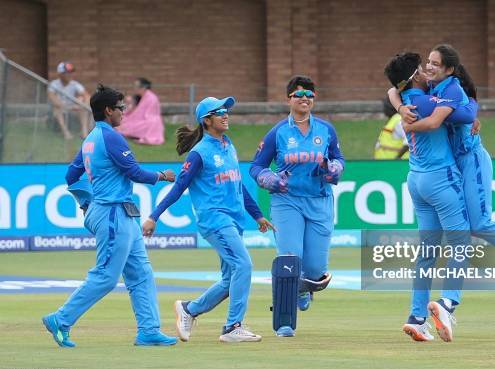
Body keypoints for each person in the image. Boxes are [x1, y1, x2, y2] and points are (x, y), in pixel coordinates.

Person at [389, 44, 495, 296]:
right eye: (428, 63)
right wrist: (400, 107)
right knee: (477, 225)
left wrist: (411, 126)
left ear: (450, 70)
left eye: (435, 63)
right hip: (457, 162)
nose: (429, 67)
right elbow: (393, 89)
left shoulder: (451, 89)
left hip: (471, 159)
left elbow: (464, 114)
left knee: (480, 223)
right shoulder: (431, 88)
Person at [42, 84, 178, 348]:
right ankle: (61, 319)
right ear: (107, 110)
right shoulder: (111, 137)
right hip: (114, 213)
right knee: (105, 276)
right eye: (120, 108)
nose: (123, 113)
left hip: (116, 213)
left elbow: (71, 177)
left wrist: (86, 203)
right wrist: (162, 176)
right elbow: (134, 172)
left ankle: (149, 331)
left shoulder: (91, 139)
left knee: (141, 273)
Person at [142, 96, 273, 343]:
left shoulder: (228, 145)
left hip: (234, 221)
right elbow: (179, 186)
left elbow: (237, 184)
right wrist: (153, 216)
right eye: (220, 111)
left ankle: (189, 309)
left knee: (229, 278)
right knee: (243, 266)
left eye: (227, 111)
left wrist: (257, 215)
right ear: (206, 120)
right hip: (215, 220)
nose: (226, 114)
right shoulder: (199, 153)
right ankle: (233, 327)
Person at [384, 53, 481, 342]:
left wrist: (399, 105)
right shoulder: (427, 102)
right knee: (461, 242)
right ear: (415, 75)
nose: (429, 69)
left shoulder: (408, 98)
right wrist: (474, 110)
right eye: (423, 67)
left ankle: (416, 318)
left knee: (427, 252)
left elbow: (391, 90)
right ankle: (448, 302)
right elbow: (467, 113)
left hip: (416, 179)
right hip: (440, 178)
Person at [250, 76, 344, 336]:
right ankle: (284, 322)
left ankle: (304, 288)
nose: (305, 99)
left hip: (319, 201)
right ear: (288, 99)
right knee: (290, 260)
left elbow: (338, 158)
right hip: (286, 201)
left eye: (310, 95)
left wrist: (333, 168)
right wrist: (269, 179)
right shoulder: (278, 132)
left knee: (314, 269)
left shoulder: (326, 130)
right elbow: (256, 166)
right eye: (299, 94)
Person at [48, 61, 91, 140]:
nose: (70, 75)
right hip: (57, 111)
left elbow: (87, 96)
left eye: (71, 72)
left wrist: (82, 103)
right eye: (67, 72)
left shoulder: (74, 84)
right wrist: (69, 107)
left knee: (82, 101)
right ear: (60, 74)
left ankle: (84, 132)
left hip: (71, 108)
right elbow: (53, 100)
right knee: (57, 108)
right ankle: (66, 133)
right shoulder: (54, 84)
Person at [117, 78, 165, 145]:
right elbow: (133, 111)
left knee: (129, 125)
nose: (135, 88)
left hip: (150, 121)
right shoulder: (139, 97)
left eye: (136, 86)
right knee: (123, 122)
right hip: (139, 119)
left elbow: (150, 114)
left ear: (143, 87)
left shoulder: (151, 97)